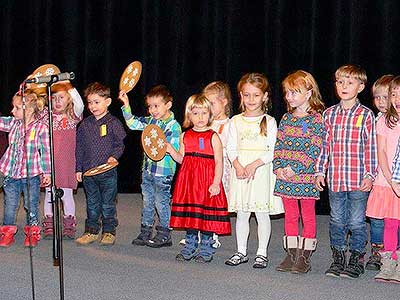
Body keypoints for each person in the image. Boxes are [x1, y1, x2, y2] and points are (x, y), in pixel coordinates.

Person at [315, 64, 377, 279]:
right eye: (340, 82)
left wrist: (370, 174)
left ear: (360, 87)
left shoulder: (367, 115)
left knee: (357, 221)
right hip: (336, 180)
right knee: (337, 220)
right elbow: (324, 146)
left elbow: (371, 148)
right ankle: (338, 257)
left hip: (358, 180)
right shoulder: (329, 115)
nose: (344, 86)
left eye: (350, 82)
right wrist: (319, 171)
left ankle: (356, 258)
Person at [225, 73, 283, 269]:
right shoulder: (235, 121)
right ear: (241, 95)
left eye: (256, 95)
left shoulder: (270, 121)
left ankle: (261, 253)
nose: (251, 100)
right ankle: (241, 251)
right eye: (247, 95)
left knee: (261, 213)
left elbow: (273, 150)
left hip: (261, 173)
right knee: (242, 213)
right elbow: (230, 147)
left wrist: (255, 164)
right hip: (240, 173)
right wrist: (238, 165)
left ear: (265, 96)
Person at [168, 94, 231, 263]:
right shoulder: (185, 136)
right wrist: (170, 150)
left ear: (210, 114)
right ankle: (190, 245)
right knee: (191, 215)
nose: (200, 117)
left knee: (206, 215)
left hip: (207, 182)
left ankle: (206, 248)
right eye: (196, 113)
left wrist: (216, 182)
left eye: (204, 113)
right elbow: (182, 159)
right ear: (189, 115)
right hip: (189, 182)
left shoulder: (213, 136)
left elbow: (219, 161)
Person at [273, 70, 325, 273]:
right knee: (290, 216)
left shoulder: (316, 120)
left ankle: (305, 256)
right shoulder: (286, 118)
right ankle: (291, 253)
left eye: (294, 92)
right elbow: (279, 144)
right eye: (287, 93)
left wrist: (295, 168)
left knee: (308, 216)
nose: (289, 97)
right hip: (285, 178)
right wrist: (278, 167)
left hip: (304, 178)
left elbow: (314, 148)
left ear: (309, 92)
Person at [119, 85, 181, 248]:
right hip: (147, 170)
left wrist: (168, 148)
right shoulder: (150, 122)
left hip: (163, 173)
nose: (152, 110)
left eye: (156, 106)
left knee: (161, 202)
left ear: (168, 105)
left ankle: (164, 233)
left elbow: (173, 151)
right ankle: (145, 231)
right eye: (150, 106)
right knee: (147, 201)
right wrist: (126, 105)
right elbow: (132, 123)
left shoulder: (173, 126)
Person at [75, 82, 126, 246]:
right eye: (90, 102)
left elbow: (120, 144)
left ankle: (109, 231)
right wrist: (78, 169)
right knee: (92, 204)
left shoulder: (114, 123)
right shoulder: (85, 124)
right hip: (89, 174)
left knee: (107, 204)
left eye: (97, 102)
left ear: (108, 102)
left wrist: (114, 156)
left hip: (107, 173)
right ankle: (91, 231)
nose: (92, 106)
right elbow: (80, 148)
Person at [0, 91, 51, 247]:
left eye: (16, 108)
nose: (12, 111)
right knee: (10, 204)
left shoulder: (41, 128)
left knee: (31, 204)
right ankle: (7, 231)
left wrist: (47, 172)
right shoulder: (13, 123)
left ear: (28, 110)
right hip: (11, 174)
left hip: (31, 176)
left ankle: (32, 232)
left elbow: (46, 151)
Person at [41, 82, 84, 239]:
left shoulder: (72, 116)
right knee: (49, 194)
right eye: (53, 98)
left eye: (61, 97)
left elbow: (79, 103)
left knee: (66, 195)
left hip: (66, 164)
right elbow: (31, 106)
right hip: (48, 164)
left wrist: (69, 86)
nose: (57, 101)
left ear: (69, 100)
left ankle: (69, 223)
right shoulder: (46, 116)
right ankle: (49, 222)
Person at [371, 76, 400, 282]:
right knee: (390, 223)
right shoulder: (384, 121)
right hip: (388, 181)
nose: (396, 99)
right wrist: (392, 181)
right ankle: (389, 263)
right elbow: (381, 151)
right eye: (393, 94)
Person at [365, 74, 395, 271]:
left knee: (394, 219)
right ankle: (377, 250)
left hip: (395, 179)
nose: (381, 102)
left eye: (386, 97)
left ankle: (394, 251)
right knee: (376, 218)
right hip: (379, 180)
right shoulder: (376, 120)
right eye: (377, 97)